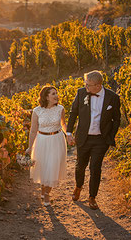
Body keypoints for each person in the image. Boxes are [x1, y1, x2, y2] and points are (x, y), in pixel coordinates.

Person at [66, 71, 121, 210]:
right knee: (80, 165)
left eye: (88, 85)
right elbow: (73, 113)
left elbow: (117, 119)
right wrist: (68, 132)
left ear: (98, 85)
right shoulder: (81, 93)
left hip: (101, 140)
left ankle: (92, 197)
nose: (86, 87)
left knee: (95, 167)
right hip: (84, 137)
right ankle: (78, 187)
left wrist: (110, 135)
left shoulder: (113, 97)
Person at [25, 85, 68, 205]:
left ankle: (47, 194)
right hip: (42, 141)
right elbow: (33, 130)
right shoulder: (37, 111)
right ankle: (44, 190)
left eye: (56, 93)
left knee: (53, 166)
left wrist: (69, 134)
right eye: (53, 94)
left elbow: (63, 124)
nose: (56, 96)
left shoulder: (60, 109)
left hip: (57, 139)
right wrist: (30, 147)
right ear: (46, 96)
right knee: (44, 167)